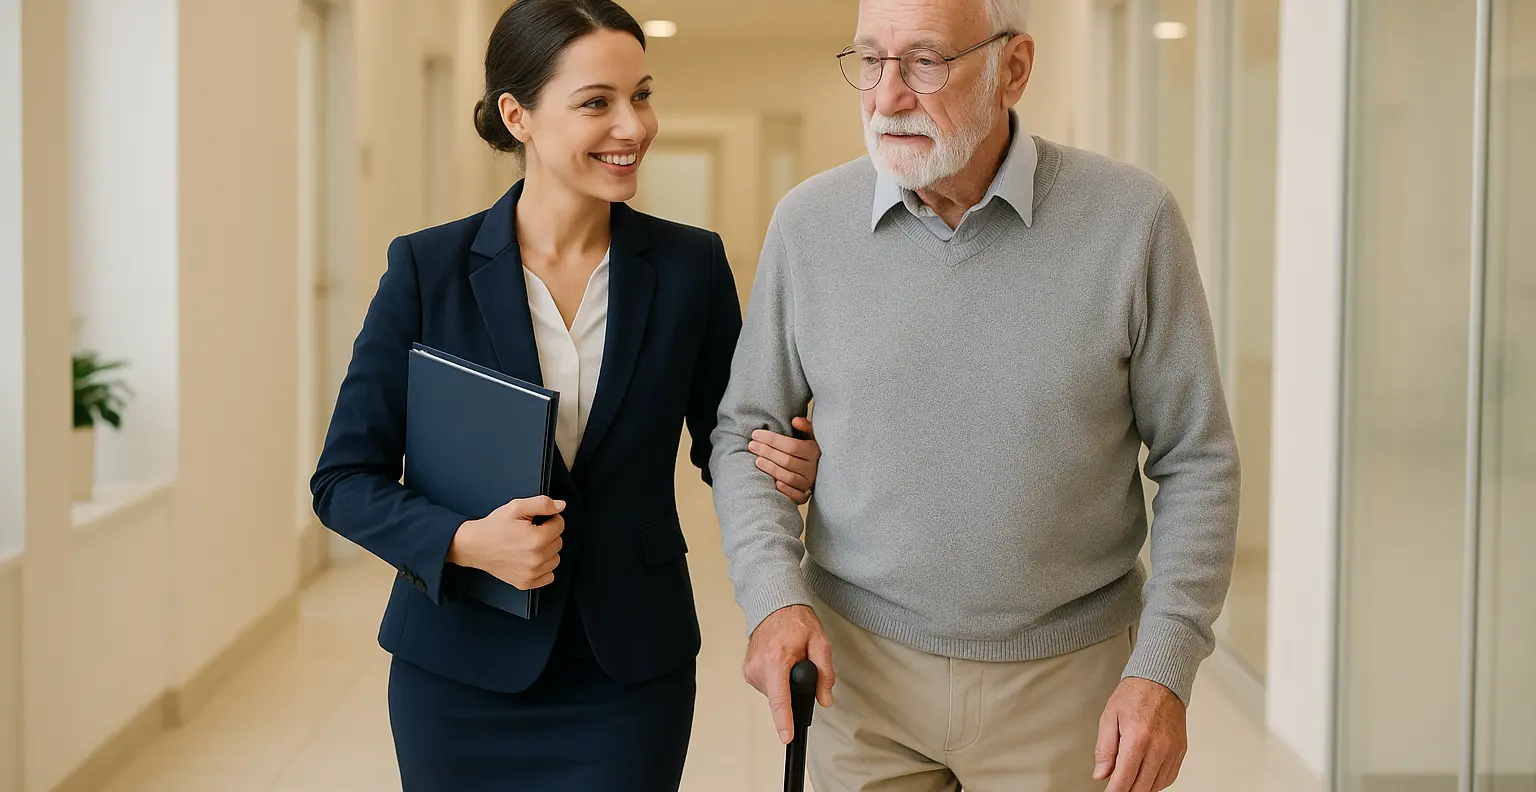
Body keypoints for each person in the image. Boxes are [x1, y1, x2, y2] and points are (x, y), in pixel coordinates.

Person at [710, 0, 1241, 790]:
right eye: (870, 60)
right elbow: (743, 434)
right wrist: (773, 599)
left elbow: (1197, 461)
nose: (887, 95)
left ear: (1013, 67)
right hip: (858, 678)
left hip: (1070, 687)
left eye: (924, 61)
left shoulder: (1133, 222)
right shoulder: (810, 226)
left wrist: (1164, 666)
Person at [309, 1, 822, 789]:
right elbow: (344, 480)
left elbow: (730, 442)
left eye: (641, 95)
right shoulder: (427, 270)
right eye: (597, 103)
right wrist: (464, 542)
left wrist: (788, 460)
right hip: (457, 673)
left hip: (627, 675)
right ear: (518, 116)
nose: (634, 126)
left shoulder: (689, 269)